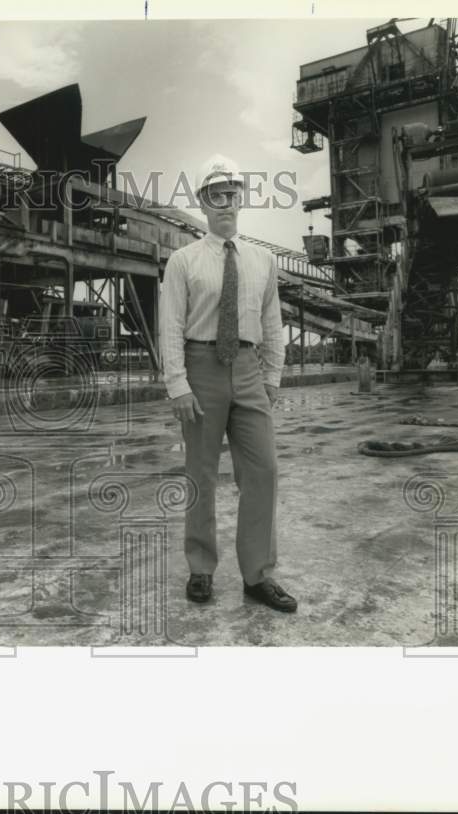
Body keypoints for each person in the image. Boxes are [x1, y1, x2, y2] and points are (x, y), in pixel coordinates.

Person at [158, 154, 297, 612]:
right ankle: (201, 568)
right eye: (215, 195)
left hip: (248, 367)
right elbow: (172, 325)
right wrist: (177, 384)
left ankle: (258, 576)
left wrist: (272, 375)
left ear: (241, 199)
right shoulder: (183, 261)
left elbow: (272, 322)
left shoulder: (262, 261)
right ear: (203, 202)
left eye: (231, 194)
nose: (224, 203)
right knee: (200, 472)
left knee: (264, 471)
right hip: (201, 370)